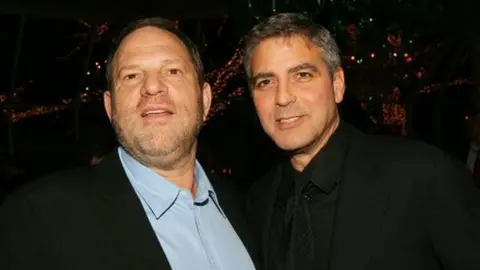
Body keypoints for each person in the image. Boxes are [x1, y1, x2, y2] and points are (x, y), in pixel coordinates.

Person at [0, 17, 256, 270]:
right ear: (110, 108)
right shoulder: (41, 218)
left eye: (172, 71)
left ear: (205, 100)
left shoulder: (249, 208)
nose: (153, 87)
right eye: (132, 76)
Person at [243, 13, 480, 270]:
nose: (283, 97)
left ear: (337, 85)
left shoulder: (423, 176)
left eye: (302, 75)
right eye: (265, 82)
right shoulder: (258, 201)